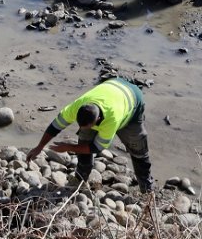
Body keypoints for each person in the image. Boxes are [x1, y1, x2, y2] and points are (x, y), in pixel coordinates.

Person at [26, 76, 154, 193]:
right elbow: (56, 126)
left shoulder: (112, 119)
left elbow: (97, 147)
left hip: (133, 100)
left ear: (97, 121)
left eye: (85, 126)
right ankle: (80, 180)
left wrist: (68, 147)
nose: (81, 128)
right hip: (113, 85)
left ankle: (147, 191)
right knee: (84, 139)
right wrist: (40, 146)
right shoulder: (78, 106)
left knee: (138, 150)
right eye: (79, 124)